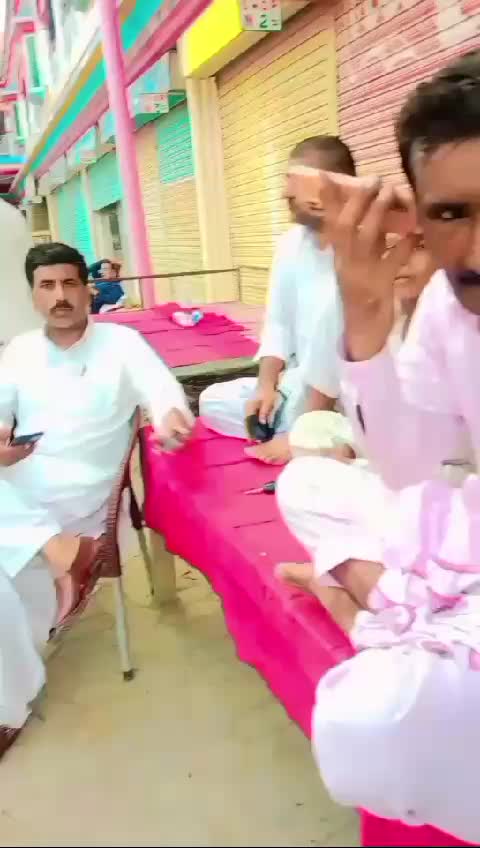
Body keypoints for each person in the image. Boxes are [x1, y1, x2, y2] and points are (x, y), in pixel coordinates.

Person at [277, 50, 480, 844]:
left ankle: (382, 603)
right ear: (418, 214)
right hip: (463, 531)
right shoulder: (447, 308)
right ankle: (404, 604)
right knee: (307, 483)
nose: (476, 253)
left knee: (380, 724)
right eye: (453, 214)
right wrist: (365, 313)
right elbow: (411, 469)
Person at [0, 242, 193, 746]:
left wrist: (171, 417)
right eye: (47, 286)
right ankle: (62, 552)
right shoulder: (19, 351)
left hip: (84, 493)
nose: (60, 296)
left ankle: (8, 708)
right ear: (33, 295)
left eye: (69, 283)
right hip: (20, 489)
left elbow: (162, 392)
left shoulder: (122, 344)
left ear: (88, 289)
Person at [200, 135, 356, 465]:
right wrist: (266, 386)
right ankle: (304, 430)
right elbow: (279, 323)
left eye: (294, 181)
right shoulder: (291, 243)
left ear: (330, 187)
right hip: (299, 384)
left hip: (348, 394)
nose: (285, 193)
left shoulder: (360, 250)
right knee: (211, 401)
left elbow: (333, 353)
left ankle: (314, 434)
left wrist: (305, 430)